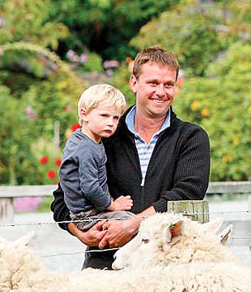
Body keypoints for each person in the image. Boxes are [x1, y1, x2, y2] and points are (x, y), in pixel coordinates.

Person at [52, 46, 211, 270]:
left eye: (168, 84)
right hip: (107, 265)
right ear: (134, 83)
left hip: (168, 267)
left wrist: (133, 225)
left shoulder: (191, 138)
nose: (161, 92)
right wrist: (80, 232)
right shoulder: (103, 137)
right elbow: (62, 198)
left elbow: (187, 193)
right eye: (153, 83)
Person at [59, 84, 137, 240]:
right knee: (132, 222)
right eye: (104, 116)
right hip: (86, 215)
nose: (111, 123)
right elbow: (90, 187)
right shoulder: (86, 148)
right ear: (84, 114)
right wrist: (112, 205)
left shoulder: (83, 138)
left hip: (88, 211)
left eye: (116, 118)